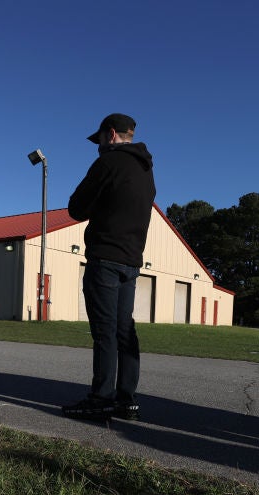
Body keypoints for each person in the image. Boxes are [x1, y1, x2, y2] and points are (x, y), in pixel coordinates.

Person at [63, 113, 156, 422]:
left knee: (105, 332)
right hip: (131, 260)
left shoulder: (108, 163)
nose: (98, 146)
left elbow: (76, 206)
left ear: (111, 134)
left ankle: (100, 397)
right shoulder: (146, 170)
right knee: (124, 329)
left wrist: (97, 205)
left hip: (105, 257)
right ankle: (126, 399)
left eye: (99, 139)